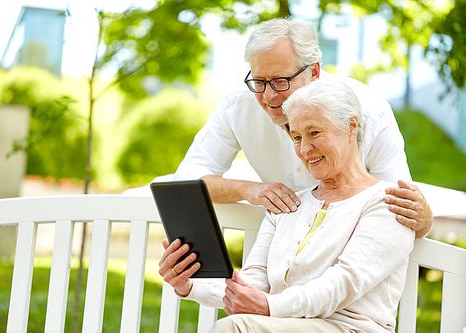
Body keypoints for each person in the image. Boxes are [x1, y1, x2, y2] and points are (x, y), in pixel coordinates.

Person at [160, 79, 415, 333]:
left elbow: (343, 283)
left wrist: (270, 306)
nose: (305, 149)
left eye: (314, 132)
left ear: (351, 125)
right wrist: (189, 284)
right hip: (281, 325)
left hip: (349, 328)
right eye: (296, 137)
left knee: (234, 327)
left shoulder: (390, 203)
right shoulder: (290, 202)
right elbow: (254, 281)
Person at [173, 18, 432, 238]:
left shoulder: (370, 111)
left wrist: (424, 218)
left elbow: (404, 208)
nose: (269, 96)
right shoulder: (237, 106)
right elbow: (185, 182)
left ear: (315, 71)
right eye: (259, 81)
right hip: (282, 261)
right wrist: (250, 190)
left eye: (280, 81)